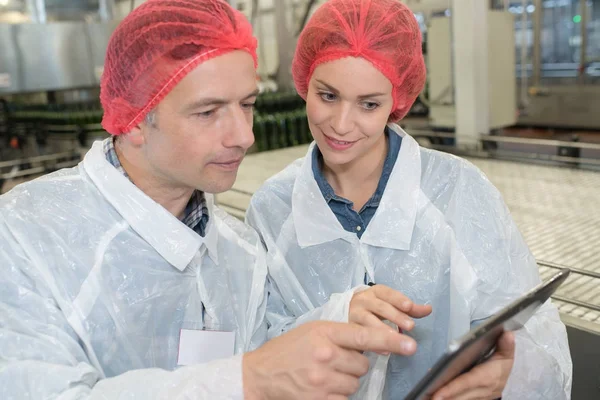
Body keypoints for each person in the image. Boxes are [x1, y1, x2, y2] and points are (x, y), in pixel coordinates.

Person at [0, 1, 417, 399]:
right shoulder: (24, 238)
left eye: (247, 105)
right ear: (135, 121)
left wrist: (338, 317)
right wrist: (245, 381)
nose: (243, 136)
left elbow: (263, 358)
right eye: (208, 112)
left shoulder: (240, 251)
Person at [245, 0, 573, 399]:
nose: (342, 124)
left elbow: (535, 331)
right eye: (328, 96)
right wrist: (334, 317)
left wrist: (514, 373)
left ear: (396, 101)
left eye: (369, 104)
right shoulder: (272, 209)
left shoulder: (456, 190)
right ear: (305, 83)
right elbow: (253, 352)